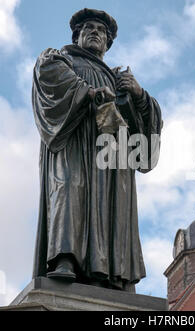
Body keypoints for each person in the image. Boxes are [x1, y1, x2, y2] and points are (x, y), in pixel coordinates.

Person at [32, 8, 162, 292]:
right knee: (69, 189)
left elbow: (144, 137)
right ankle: (65, 259)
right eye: (88, 28)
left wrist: (139, 96)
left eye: (101, 31)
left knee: (111, 205)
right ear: (77, 36)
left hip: (112, 156)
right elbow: (49, 77)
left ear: (107, 42)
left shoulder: (119, 80)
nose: (94, 32)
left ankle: (111, 271)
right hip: (74, 144)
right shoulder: (60, 58)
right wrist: (88, 92)